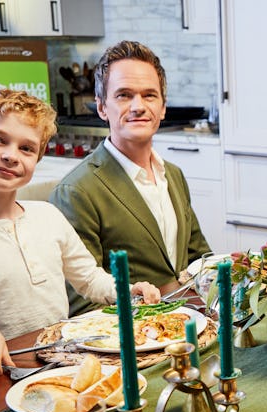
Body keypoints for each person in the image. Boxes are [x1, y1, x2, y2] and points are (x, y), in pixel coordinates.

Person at [0, 88, 160, 376]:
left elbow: (89, 279)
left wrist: (126, 292)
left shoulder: (48, 216)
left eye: (26, 148)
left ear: (37, 158)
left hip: (63, 365)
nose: (11, 156)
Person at [50, 40, 210, 316]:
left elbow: (199, 260)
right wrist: (162, 308)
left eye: (149, 95)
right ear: (101, 107)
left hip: (192, 328)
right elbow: (81, 304)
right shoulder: (77, 191)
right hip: (132, 345)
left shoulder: (173, 174)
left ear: (162, 107)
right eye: (124, 95)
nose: (138, 106)